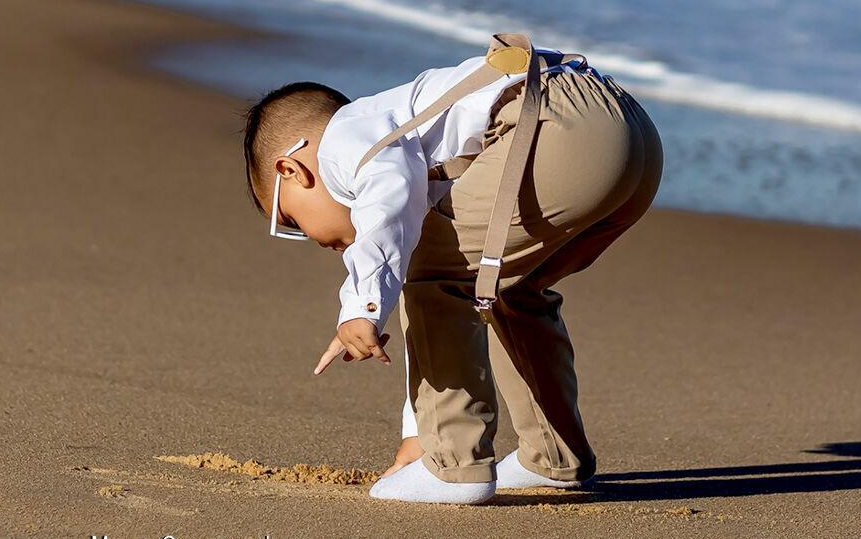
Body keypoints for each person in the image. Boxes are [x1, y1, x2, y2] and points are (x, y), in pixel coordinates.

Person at [240, 36, 663, 505]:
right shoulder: (401, 128)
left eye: (294, 221)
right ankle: (552, 458)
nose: (317, 242)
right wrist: (418, 434)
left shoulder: (345, 138)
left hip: (555, 127)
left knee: (432, 270)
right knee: (506, 286)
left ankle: (456, 467)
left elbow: (389, 200)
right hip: (628, 132)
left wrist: (361, 304)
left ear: (292, 170)